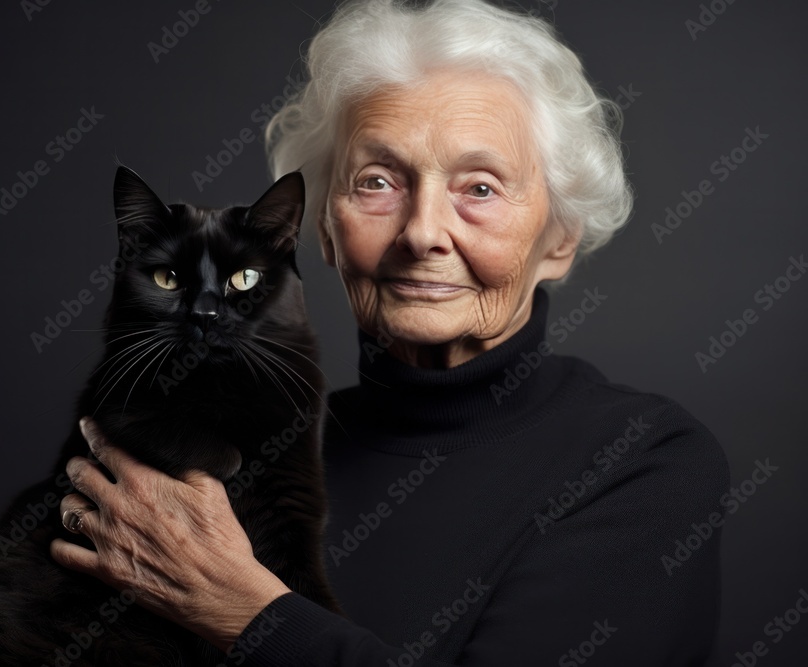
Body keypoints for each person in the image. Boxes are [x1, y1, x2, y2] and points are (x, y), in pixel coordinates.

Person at [50, 0, 730, 664]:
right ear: (321, 231)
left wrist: (245, 614)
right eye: (377, 181)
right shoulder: (237, 447)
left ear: (560, 239)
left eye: (481, 187)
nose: (423, 232)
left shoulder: (647, 462)